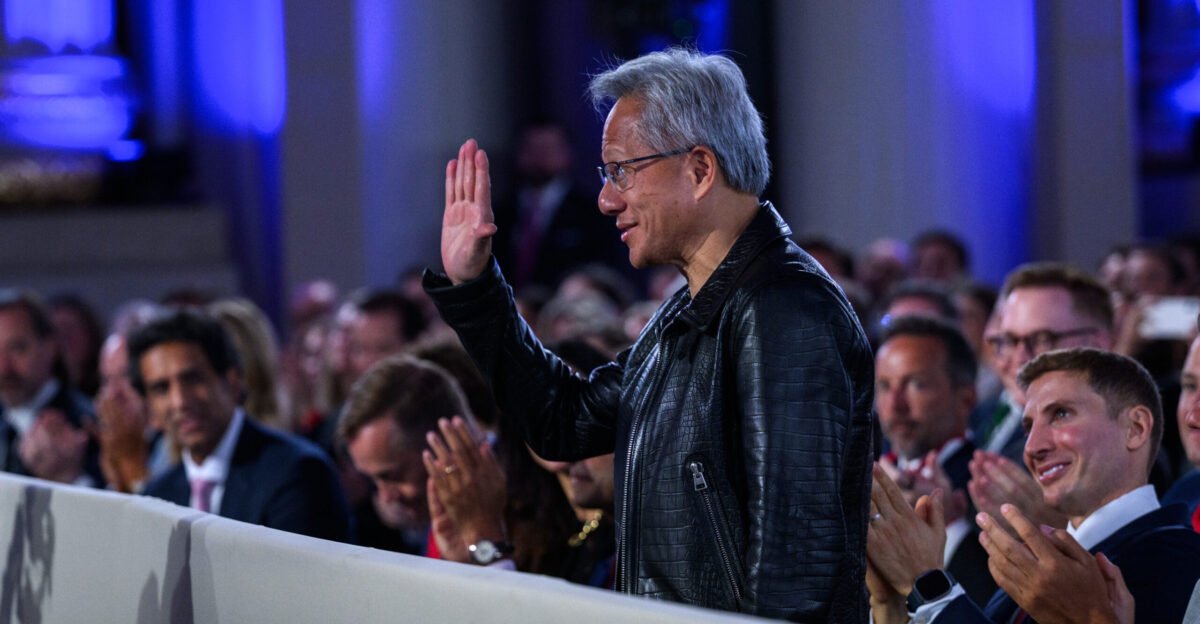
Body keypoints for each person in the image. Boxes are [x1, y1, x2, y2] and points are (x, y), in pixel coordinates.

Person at [424, 48, 874, 621]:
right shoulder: (691, 306)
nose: (607, 199)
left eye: (622, 171)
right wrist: (474, 285)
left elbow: (793, 572)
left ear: (700, 169)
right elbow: (563, 421)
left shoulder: (783, 308)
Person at [867, 348, 1200, 624]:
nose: (1033, 446)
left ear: (1136, 428)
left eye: (1061, 415)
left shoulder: (1180, 560)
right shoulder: (1039, 560)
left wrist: (929, 586)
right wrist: (891, 608)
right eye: (1028, 426)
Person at [131, 310, 351, 543]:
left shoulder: (299, 474)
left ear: (233, 381)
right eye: (161, 389)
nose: (180, 402)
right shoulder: (157, 497)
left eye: (193, 379)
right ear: (150, 410)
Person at [873, 316, 996, 605]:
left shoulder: (993, 486)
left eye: (915, 384)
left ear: (966, 397)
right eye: (884, 386)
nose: (895, 404)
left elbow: (997, 606)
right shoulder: (862, 479)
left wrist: (950, 525)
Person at [0, 289, 101, 484]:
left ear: (50, 346)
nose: (4, 367)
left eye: (17, 348)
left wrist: (70, 478)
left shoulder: (88, 424)